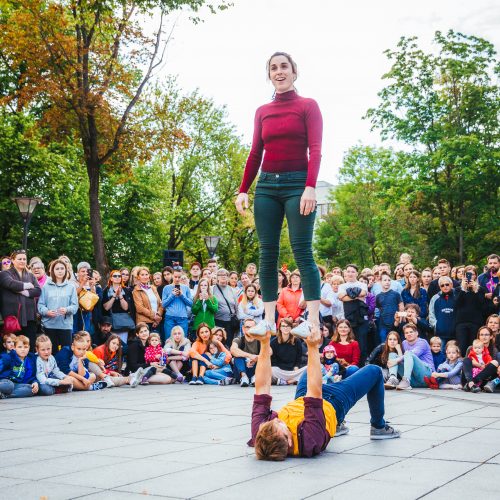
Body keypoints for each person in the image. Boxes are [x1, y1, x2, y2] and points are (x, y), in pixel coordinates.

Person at [235, 51, 323, 340]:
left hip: (298, 184)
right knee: (267, 252)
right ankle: (269, 320)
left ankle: (311, 321)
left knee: (302, 251)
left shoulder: (308, 106)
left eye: (284, 66)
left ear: (294, 72)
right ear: (269, 75)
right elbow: (255, 153)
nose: (279, 71)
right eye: (274, 68)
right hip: (267, 187)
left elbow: (316, 149)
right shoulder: (262, 111)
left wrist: (310, 186)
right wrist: (243, 189)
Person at [249, 326, 400, 461]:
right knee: (374, 371)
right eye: (280, 425)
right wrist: (313, 347)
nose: (276, 420)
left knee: (309, 372)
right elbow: (316, 392)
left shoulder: (262, 434)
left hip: (303, 398)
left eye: (273, 422)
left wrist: (264, 343)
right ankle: (378, 426)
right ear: (289, 441)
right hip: (333, 402)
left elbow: (261, 388)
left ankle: (338, 384)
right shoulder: (309, 440)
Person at [0, 250, 41, 349]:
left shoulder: (30, 275)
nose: (22, 261)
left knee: (29, 346)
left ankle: (28, 365)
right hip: (13, 318)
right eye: (19, 259)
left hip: (30, 317)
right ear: (13, 260)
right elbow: (10, 283)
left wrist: (24, 292)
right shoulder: (5, 273)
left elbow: (38, 290)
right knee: (12, 347)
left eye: (24, 259)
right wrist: (26, 285)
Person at [38, 259, 79, 351]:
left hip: (65, 325)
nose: (60, 271)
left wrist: (67, 309)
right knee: (51, 352)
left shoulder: (71, 287)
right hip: (49, 325)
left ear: (66, 270)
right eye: (57, 269)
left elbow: (75, 306)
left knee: (66, 351)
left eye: (62, 268)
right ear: (52, 271)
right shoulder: (46, 286)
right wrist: (47, 312)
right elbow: (40, 305)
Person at [337, 264, 370, 364]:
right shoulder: (342, 286)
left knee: (362, 344)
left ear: (357, 273)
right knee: (349, 342)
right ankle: (350, 365)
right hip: (348, 319)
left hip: (361, 318)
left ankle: (362, 365)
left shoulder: (362, 284)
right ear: (345, 273)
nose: (350, 273)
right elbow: (341, 297)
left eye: (353, 271)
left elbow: (363, 294)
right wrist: (355, 295)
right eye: (348, 271)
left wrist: (348, 294)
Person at [454, 266, 487, 357]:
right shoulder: (458, 289)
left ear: (476, 276)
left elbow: (482, 306)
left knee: (474, 347)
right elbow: (456, 304)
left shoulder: (481, 289)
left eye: (472, 274)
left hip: (476, 322)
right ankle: (461, 368)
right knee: (462, 347)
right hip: (461, 322)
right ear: (464, 276)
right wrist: (463, 289)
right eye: (468, 274)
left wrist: (476, 291)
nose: (470, 276)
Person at [394, 323, 435, 390]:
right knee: (392, 355)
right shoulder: (404, 343)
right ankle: (392, 379)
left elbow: (411, 354)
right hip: (414, 381)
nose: (409, 334)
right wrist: (398, 350)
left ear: (417, 333)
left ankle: (406, 380)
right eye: (406, 333)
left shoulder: (422, 342)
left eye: (411, 332)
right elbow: (403, 360)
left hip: (426, 377)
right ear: (404, 335)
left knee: (408, 353)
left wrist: (396, 360)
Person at [102, 269, 135, 345]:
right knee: (112, 344)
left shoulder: (126, 291)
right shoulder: (106, 291)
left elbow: (126, 308)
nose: (117, 277)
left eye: (119, 276)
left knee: (123, 345)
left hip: (123, 322)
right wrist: (114, 296)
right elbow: (106, 307)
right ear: (111, 278)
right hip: (111, 322)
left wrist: (120, 295)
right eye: (115, 276)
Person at [270, 318, 306, 385]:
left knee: (308, 368)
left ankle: (289, 381)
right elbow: (273, 361)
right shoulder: (273, 342)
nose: (285, 328)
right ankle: (293, 380)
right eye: (283, 326)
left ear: (291, 328)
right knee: (271, 369)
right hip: (279, 371)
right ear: (280, 328)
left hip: (293, 371)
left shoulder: (297, 341)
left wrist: (296, 367)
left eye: (288, 326)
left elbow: (299, 357)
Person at [161, 267, 193, 341]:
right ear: (172, 276)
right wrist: (172, 295)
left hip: (183, 318)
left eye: (179, 277)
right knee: (169, 340)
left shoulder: (186, 288)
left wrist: (182, 295)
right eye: (175, 277)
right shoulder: (166, 288)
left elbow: (191, 303)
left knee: (183, 341)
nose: (177, 279)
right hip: (170, 318)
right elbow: (163, 304)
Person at [230, 318, 261, 387]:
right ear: (243, 329)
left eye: (252, 327)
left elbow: (269, 352)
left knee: (264, 358)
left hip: (256, 369)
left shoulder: (260, 341)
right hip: (241, 371)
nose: (250, 329)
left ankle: (255, 377)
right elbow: (233, 350)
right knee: (237, 357)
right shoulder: (238, 339)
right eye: (247, 327)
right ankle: (244, 378)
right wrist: (250, 356)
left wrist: (256, 358)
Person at [213, 268, 239, 347]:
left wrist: (237, 317)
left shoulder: (232, 290)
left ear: (228, 277)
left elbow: (236, 306)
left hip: (230, 321)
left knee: (228, 342)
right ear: (217, 277)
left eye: (225, 275)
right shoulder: (212, 288)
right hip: (217, 321)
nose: (223, 276)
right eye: (220, 275)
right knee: (217, 342)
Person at [132, 267, 163, 333]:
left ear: (149, 276)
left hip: (156, 322)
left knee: (156, 343)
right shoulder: (136, 290)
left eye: (146, 274)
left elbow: (160, 304)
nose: (145, 277)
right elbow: (140, 308)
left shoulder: (153, 288)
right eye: (142, 275)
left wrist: (158, 316)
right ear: (138, 277)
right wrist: (154, 316)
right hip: (144, 323)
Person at [429, 276, 457, 348]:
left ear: (451, 284)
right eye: (442, 285)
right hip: (440, 334)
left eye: (447, 284)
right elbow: (431, 314)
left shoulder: (457, 295)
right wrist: (436, 325)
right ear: (439, 287)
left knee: (453, 355)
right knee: (440, 354)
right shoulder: (435, 298)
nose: (445, 287)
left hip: (455, 333)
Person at [376, 273, 404, 343]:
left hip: (395, 322)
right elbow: (379, 309)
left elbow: (401, 306)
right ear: (380, 282)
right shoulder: (378, 296)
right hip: (383, 324)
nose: (387, 282)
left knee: (395, 341)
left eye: (389, 280)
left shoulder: (396, 294)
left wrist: (400, 320)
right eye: (385, 280)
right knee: (383, 341)